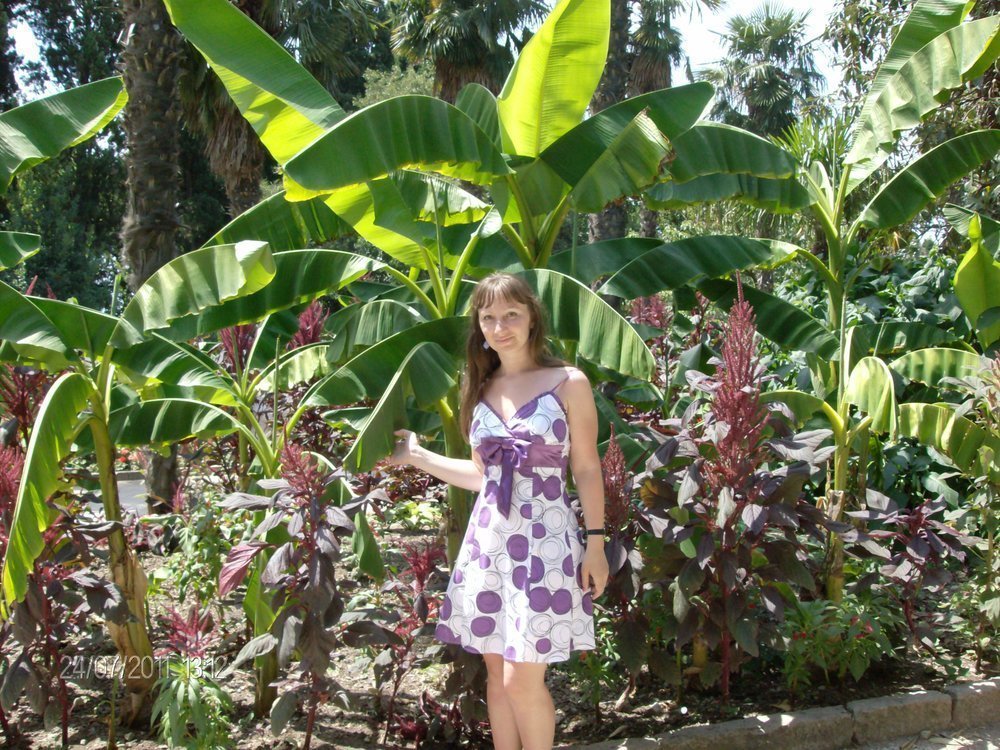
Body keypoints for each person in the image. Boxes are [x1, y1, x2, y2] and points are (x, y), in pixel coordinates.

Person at [389, 272, 609, 750]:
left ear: (532, 317)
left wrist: (596, 543)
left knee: (520, 681)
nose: (500, 326)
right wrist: (417, 456)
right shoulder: (479, 387)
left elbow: (587, 468)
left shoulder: (568, 382)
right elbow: (481, 475)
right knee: (495, 676)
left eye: (511, 314)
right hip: (490, 545)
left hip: (546, 544)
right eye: (488, 317)